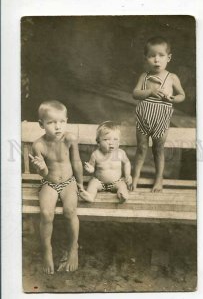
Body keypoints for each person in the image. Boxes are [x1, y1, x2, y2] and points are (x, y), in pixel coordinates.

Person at [30, 100, 89, 274]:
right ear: (41, 124)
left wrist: (80, 183)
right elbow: (44, 173)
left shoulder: (69, 139)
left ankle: (73, 248)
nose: (58, 127)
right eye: (51, 122)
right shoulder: (38, 145)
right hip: (49, 182)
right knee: (46, 213)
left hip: (69, 182)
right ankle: (46, 249)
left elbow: (76, 162)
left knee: (70, 211)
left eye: (62, 122)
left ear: (66, 121)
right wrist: (41, 169)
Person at [131, 36, 185, 192]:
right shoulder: (144, 76)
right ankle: (135, 178)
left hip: (161, 117)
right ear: (146, 58)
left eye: (161, 55)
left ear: (168, 58)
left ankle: (159, 179)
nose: (156, 60)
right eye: (152, 56)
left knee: (158, 149)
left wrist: (173, 98)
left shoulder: (172, 77)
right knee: (141, 148)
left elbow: (182, 95)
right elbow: (135, 93)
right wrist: (150, 92)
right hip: (144, 116)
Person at [81, 121, 132, 203]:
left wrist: (127, 175)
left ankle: (122, 195)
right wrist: (91, 169)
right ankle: (90, 195)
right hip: (99, 182)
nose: (111, 142)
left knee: (122, 185)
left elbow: (127, 163)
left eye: (115, 139)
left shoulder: (120, 153)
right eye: (106, 139)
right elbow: (92, 167)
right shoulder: (96, 154)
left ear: (119, 142)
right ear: (98, 142)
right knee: (93, 183)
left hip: (116, 182)